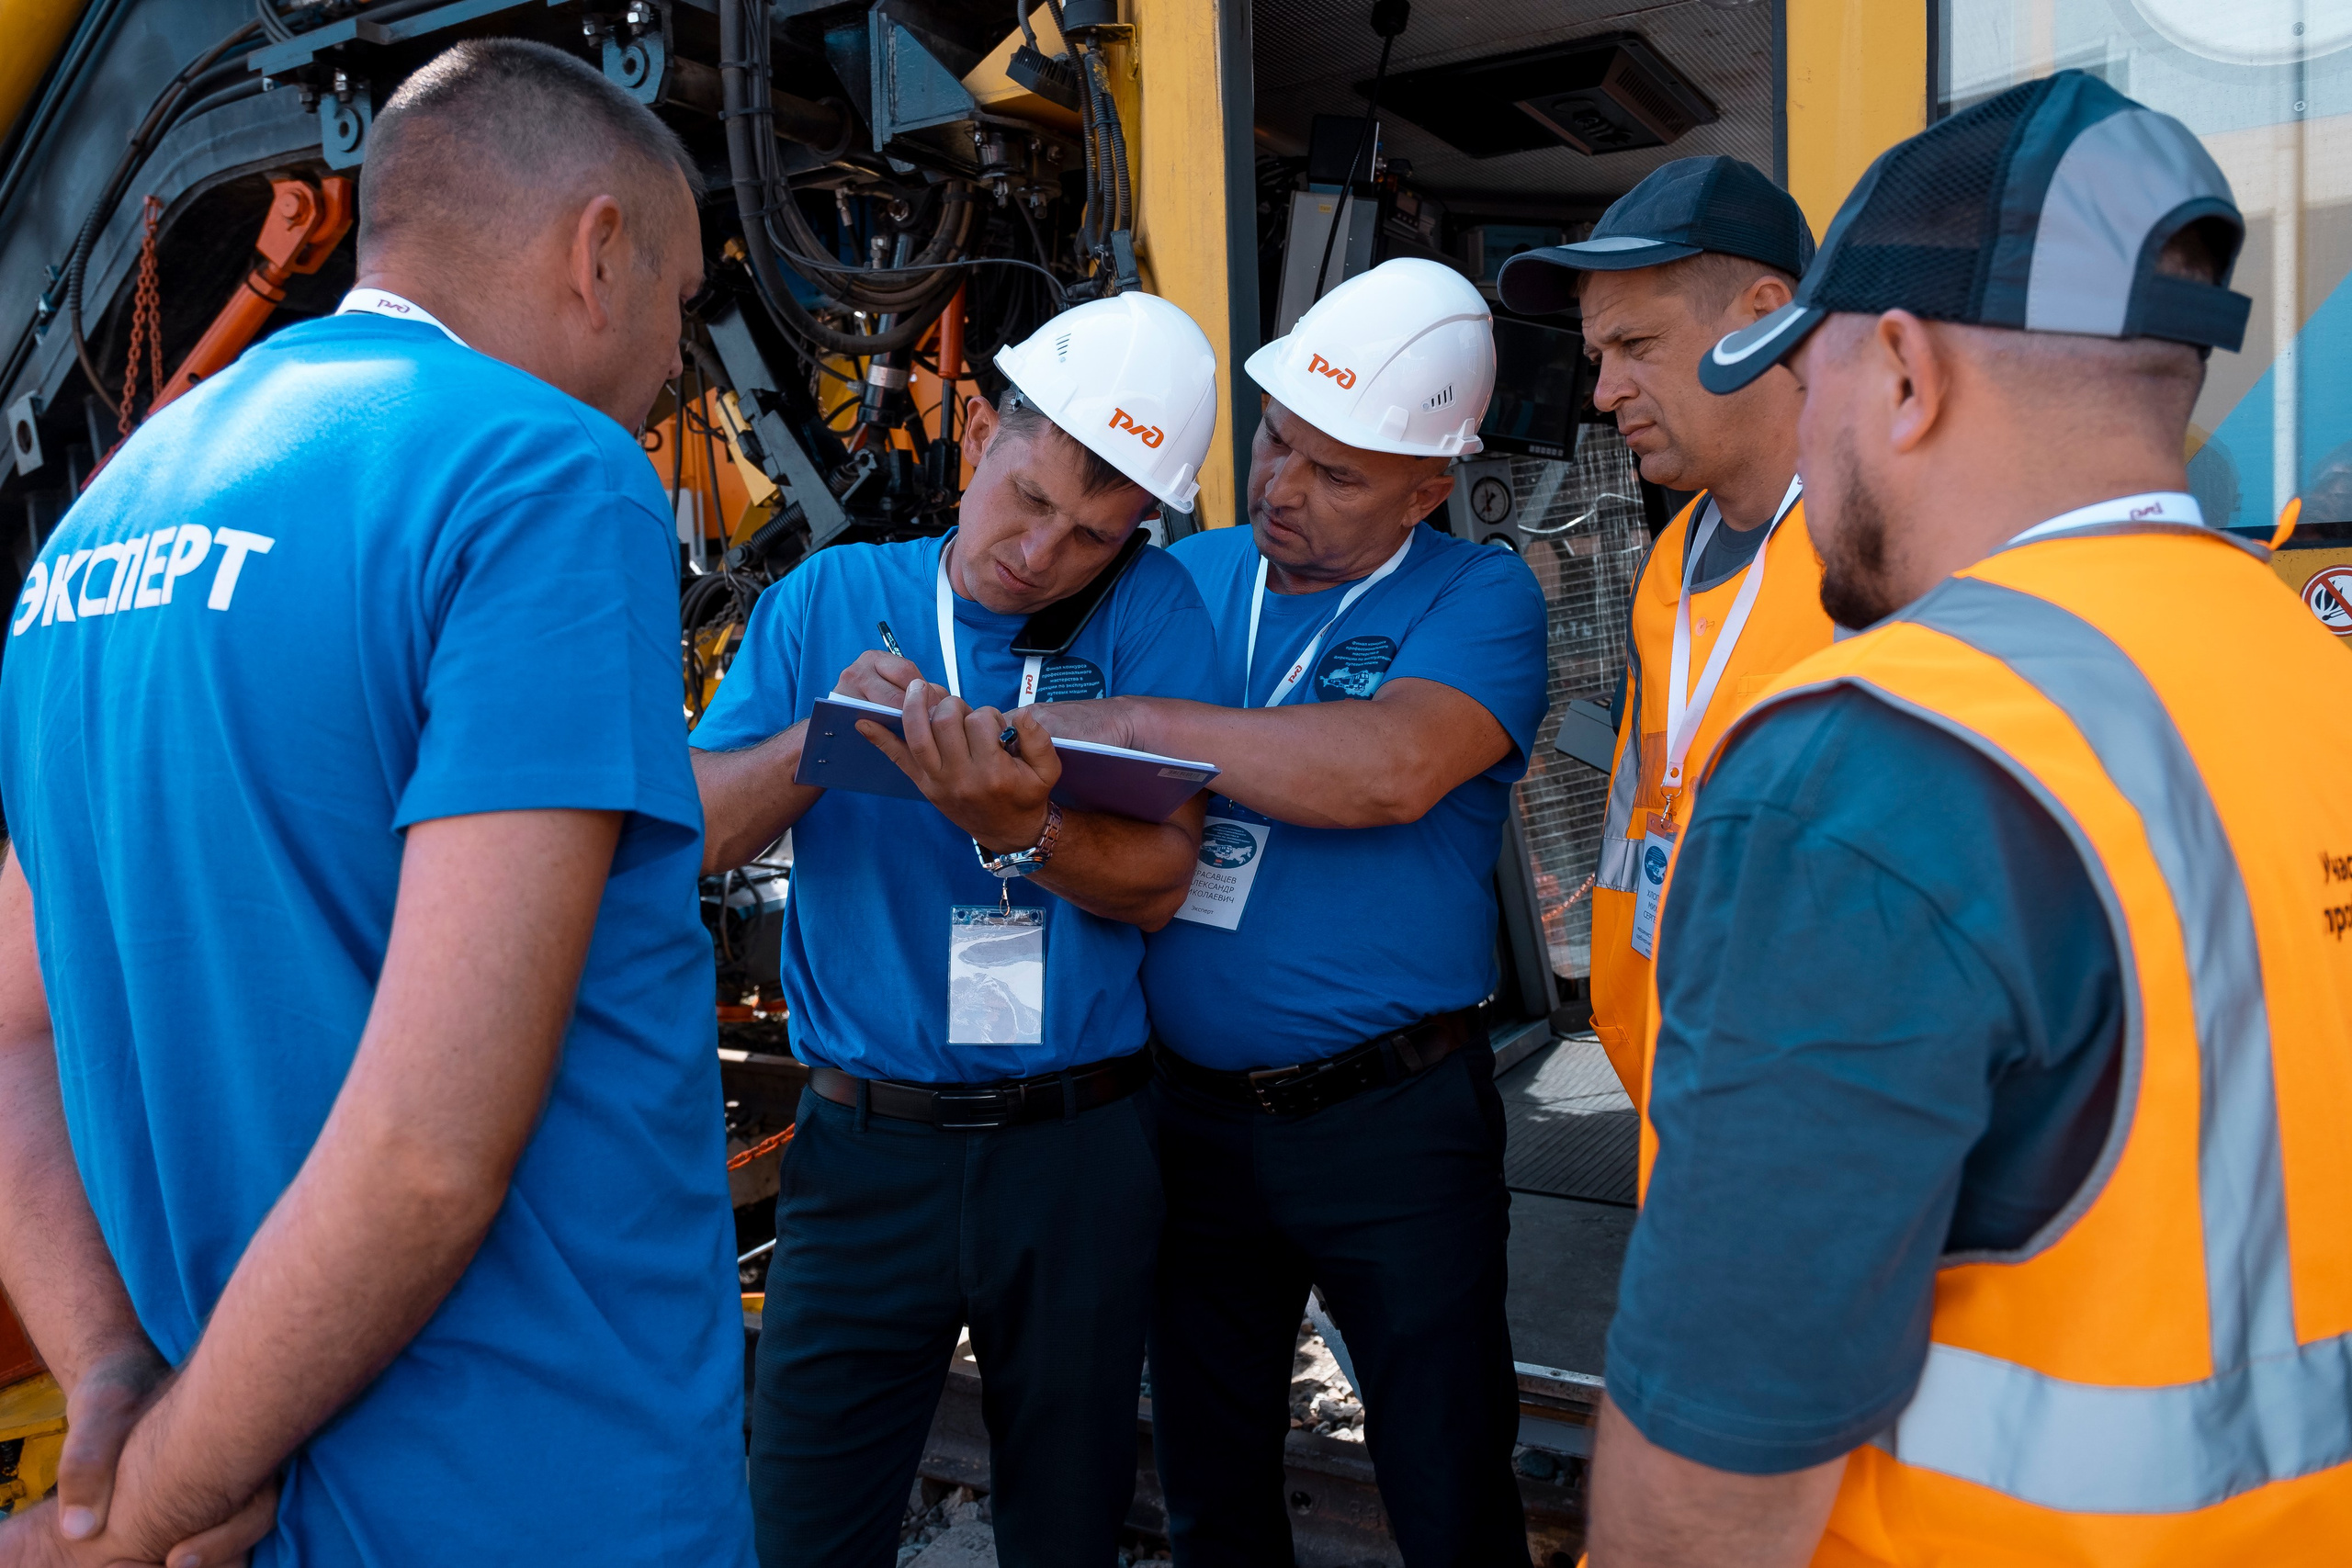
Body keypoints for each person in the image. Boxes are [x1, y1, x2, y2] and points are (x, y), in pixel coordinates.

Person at [0, 38, 752, 1568]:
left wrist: (117, 1380)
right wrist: (143, 1513)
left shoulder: (96, 530)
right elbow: (426, 1146)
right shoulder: (542, 476)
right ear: (597, 248)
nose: (675, 365)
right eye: (680, 304)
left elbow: (11, 1021)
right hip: (537, 1491)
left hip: (254, 1499)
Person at [1589, 72, 2352, 1565]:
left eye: (1807, 392)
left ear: (1902, 373)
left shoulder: (1869, 765)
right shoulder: (2309, 675)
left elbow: (1712, 1479)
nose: (1804, 456)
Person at [1026, 256, 1551, 1567]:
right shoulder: (1181, 577)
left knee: (1445, 1477)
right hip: (1188, 1115)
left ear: (1430, 486)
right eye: (1276, 443)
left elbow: (1385, 769)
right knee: (1210, 1483)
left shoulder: (1477, 598)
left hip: (1389, 1122)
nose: (1281, 487)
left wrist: (1143, 721)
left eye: (1338, 472)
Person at [689, 290, 1221, 1568]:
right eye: (1030, 497)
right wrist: (820, 744)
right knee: (804, 1523)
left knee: (1068, 1519)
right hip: (867, 1145)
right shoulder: (829, 599)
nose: (1042, 552)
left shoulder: (1154, 616)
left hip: (1078, 1145)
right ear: (979, 432)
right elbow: (694, 834)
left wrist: (1021, 830)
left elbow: (1159, 879)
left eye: (1095, 533)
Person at [1497, 157, 1831, 1105]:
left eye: (1635, 344)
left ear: (1763, 312)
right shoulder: (1672, 557)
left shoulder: (1891, 559)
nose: (1604, 393)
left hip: (1814, 1114)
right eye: (1597, 355)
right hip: (1675, 1085)